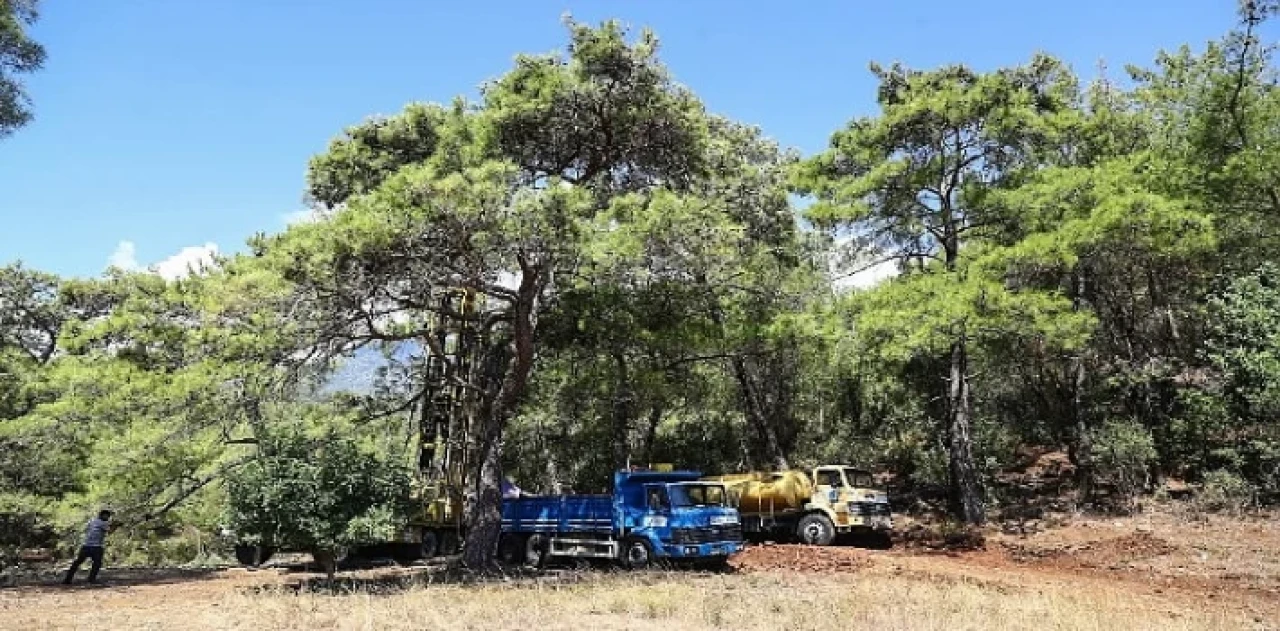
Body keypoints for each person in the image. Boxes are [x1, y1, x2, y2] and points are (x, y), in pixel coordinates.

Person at [62, 509, 113, 585]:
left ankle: (67, 579)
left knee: (77, 562)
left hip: (86, 545)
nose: (108, 518)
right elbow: (110, 531)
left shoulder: (91, 521)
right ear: (102, 515)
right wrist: (116, 526)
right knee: (97, 564)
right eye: (107, 516)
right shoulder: (103, 523)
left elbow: (87, 530)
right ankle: (91, 580)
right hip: (96, 547)